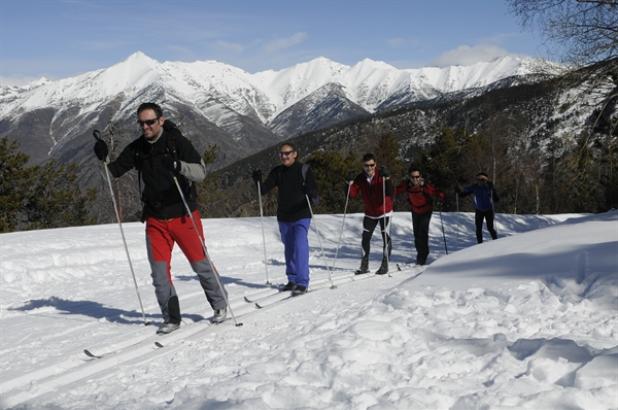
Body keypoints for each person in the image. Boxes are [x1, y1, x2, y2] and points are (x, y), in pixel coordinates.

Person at [93, 102, 228, 334]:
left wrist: (177, 165)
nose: (145, 127)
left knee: (200, 265)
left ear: (161, 120)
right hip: (155, 218)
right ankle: (171, 318)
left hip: (184, 215)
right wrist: (103, 160)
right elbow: (113, 173)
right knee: (159, 272)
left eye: (150, 122)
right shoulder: (137, 148)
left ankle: (220, 304)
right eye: (141, 123)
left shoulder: (177, 143)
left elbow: (201, 173)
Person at [251, 142, 317, 296]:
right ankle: (292, 279)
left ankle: (302, 282)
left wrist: (310, 191)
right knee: (289, 248)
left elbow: (314, 193)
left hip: (301, 214)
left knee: (300, 245)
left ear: (295, 154)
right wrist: (257, 181)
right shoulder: (278, 171)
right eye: (281, 154)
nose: (284, 156)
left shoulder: (304, 170)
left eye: (287, 153)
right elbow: (264, 190)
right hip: (284, 216)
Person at [348, 153, 393, 275]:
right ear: (363, 166)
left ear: (375, 164)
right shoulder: (360, 178)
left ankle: (385, 264)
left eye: (372, 165)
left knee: (385, 238)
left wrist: (387, 178)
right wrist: (349, 182)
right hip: (370, 213)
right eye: (366, 165)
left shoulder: (381, 175)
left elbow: (389, 192)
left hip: (384, 211)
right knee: (365, 239)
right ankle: (364, 266)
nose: (369, 168)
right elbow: (351, 195)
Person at [395, 166, 445, 266]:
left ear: (420, 177)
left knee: (422, 232)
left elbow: (435, 191)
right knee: (416, 234)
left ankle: (423, 255)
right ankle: (420, 253)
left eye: (417, 177)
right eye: (413, 177)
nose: (415, 179)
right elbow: (396, 190)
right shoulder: (407, 185)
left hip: (426, 210)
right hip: (415, 210)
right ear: (409, 177)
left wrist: (440, 196)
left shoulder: (425, 186)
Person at [456, 172, 499, 243]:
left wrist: (493, 190)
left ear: (486, 180)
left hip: (489, 210)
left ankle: (496, 242)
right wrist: (458, 191)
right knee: (478, 228)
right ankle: (480, 245)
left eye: (483, 179)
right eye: (479, 179)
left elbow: (496, 199)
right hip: (479, 210)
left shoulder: (488, 187)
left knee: (490, 228)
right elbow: (463, 194)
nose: (481, 181)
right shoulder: (474, 187)